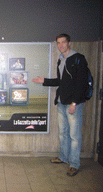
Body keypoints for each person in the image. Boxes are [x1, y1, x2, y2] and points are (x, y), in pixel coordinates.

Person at [32, 33, 89, 176]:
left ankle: (74, 164)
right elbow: (61, 82)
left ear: (69, 43)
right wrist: (44, 81)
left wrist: (74, 103)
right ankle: (63, 157)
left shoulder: (78, 58)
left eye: (63, 42)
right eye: (58, 43)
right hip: (62, 102)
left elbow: (81, 84)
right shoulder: (61, 59)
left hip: (73, 104)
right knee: (63, 133)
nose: (61, 45)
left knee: (74, 135)